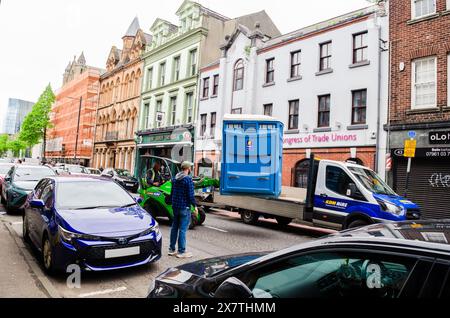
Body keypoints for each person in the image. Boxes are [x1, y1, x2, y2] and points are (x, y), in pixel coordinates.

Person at [169, 161, 198, 258]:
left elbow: (172, 193)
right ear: (188, 168)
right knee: (182, 229)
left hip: (175, 206)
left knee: (174, 227)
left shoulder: (175, 178)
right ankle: (181, 251)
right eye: (190, 168)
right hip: (184, 207)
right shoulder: (188, 179)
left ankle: (172, 249)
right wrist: (195, 206)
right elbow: (190, 195)